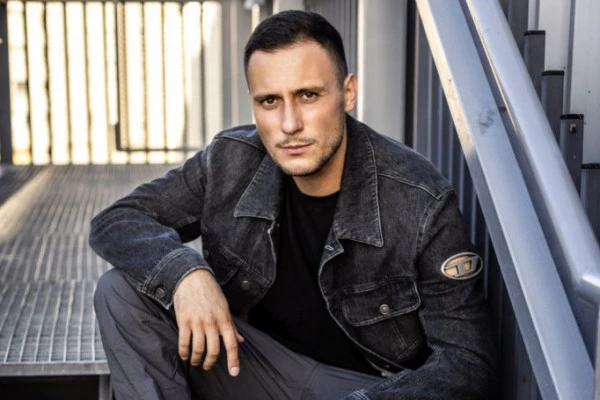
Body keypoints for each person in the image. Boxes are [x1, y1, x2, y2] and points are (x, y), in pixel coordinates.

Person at [90, 10, 496, 400]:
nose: (289, 125)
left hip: (362, 389)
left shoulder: (418, 199)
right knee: (120, 291)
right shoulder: (231, 160)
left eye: (308, 95)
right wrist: (185, 274)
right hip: (256, 369)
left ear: (347, 93)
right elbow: (118, 220)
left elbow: (466, 363)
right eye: (270, 101)